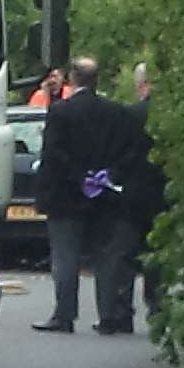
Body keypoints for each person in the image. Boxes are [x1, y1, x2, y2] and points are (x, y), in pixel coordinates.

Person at [31, 56, 136, 333]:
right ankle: (109, 315)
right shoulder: (117, 113)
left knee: (65, 257)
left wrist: (79, 177)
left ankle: (65, 315)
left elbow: (54, 154)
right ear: (96, 80)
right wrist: (107, 176)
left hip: (66, 195)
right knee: (106, 257)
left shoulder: (61, 113)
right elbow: (128, 152)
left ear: (72, 79)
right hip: (105, 196)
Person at [114, 62, 168, 320]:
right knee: (158, 253)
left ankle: (122, 311)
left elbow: (122, 155)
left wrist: (115, 176)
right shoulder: (174, 117)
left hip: (135, 193)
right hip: (165, 193)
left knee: (125, 253)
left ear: (140, 85)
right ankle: (157, 305)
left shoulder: (131, 115)